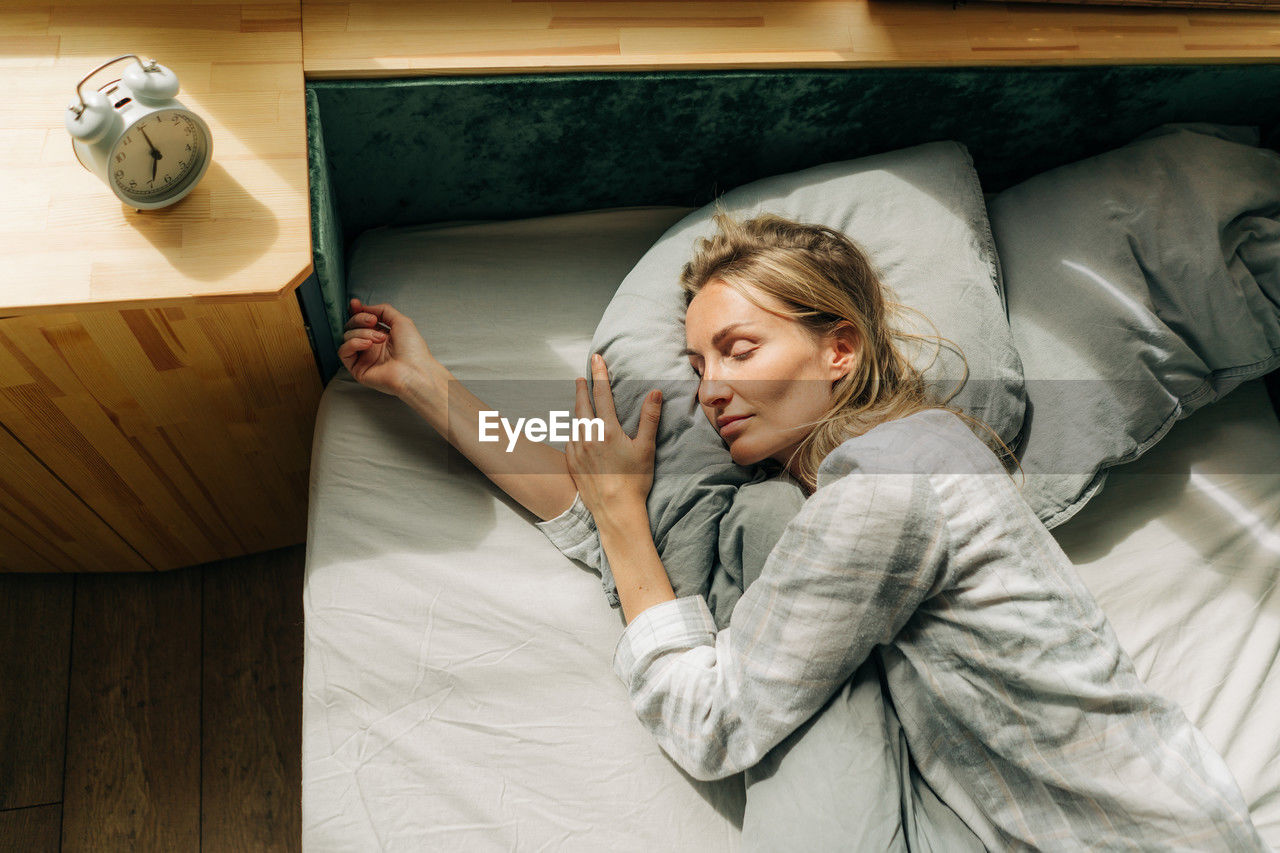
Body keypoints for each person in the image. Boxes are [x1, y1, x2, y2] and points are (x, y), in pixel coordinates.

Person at [337, 211, 1266, 851]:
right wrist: (427, 386)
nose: (708, 387)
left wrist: (624, 528)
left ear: (840, 348)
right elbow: (623, 528)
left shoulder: (893, 481)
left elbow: (712, 717)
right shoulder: (827, 492)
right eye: (700, 362)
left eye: (739, 350)